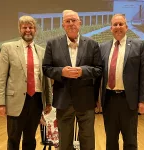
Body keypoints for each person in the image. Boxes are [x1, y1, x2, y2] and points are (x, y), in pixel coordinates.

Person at [42, 10, 102, 150]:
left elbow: (99, 69)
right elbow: (46, 68)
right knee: (64, 142)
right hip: (63, 101)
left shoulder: (92, 44)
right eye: (67, 21)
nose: (71, 24)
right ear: (63, 24)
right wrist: (61, 72)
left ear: (80, 23)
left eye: (74, 20)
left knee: (88, 141)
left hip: (86, 101)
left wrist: (83, 71)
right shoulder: (52, 43)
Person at [0, 16, 52, 150]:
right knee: (13, 139)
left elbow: (45, 78)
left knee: (30, 139)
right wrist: (0, 103)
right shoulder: (8, 48)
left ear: (35, 30)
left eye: (31, 27)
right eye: (24, 27)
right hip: (15, 101)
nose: (28, 30)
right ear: (19, 29)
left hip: (36, 101)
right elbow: (1, 77)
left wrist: (49, 101)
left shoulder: (41, 51)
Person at [100, 14, 144, 150]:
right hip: (108, 99)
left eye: (121, 24)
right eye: (115, 24)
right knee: (110, 139)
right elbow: (99, 74)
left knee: (130, 140)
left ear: (126, 27)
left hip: (129, 100)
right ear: (111, 28)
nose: (118, 27)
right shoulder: (103, 47)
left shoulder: (139, 45)